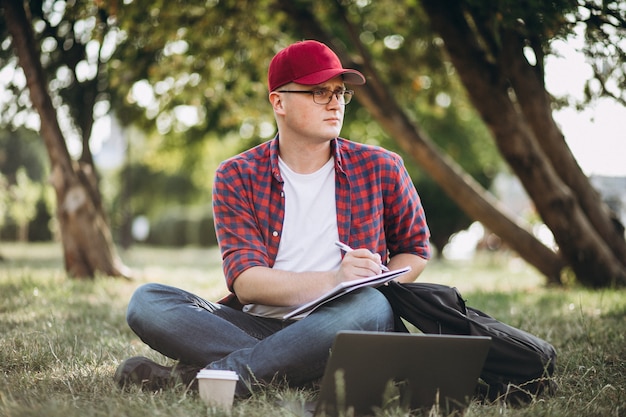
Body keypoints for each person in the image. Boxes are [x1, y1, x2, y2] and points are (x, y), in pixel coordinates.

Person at [114, 40, 431, 397]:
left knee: (373, 306)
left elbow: (414, 250)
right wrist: (335, 278)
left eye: (340, 92)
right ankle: (300, 369)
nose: (334, 102)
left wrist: (374, 280)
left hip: (344, 323)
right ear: (278, 101)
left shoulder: (381, 167)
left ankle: (206, 380)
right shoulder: (237, 175)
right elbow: (246, 282)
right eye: (318, 92)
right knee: (148, 301)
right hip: (256, 326)